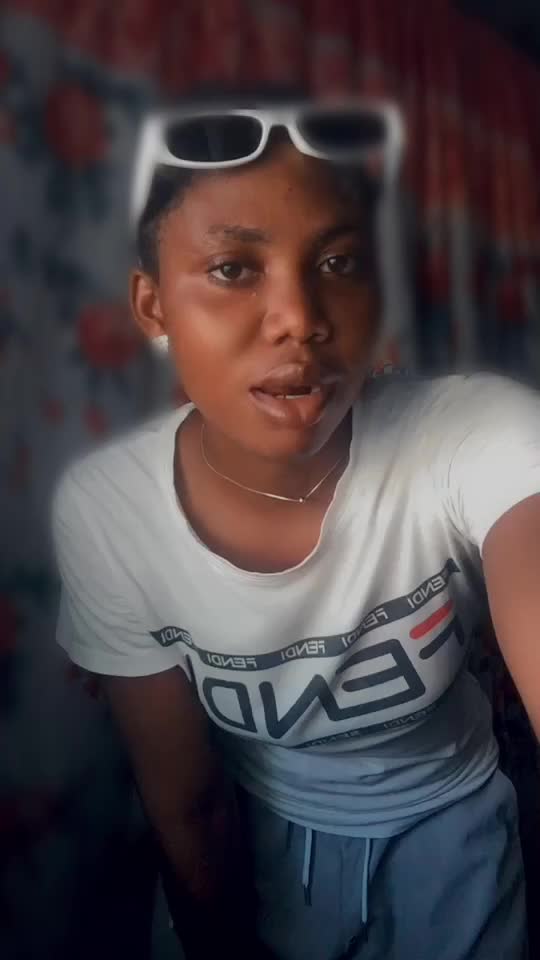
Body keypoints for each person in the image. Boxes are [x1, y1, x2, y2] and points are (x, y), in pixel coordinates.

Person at [51, 90, 540, 960]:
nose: (301, 320)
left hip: (455, 827)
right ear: (153, 306)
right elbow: (190, 808)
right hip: (257, 842)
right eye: (234, 269)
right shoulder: (110, 510)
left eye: (339, 262)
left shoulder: (474, 435)